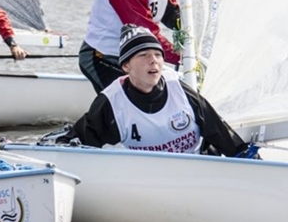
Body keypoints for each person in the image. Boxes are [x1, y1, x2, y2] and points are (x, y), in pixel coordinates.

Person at [53, 25, 251, 158]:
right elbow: (78, 142)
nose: (153, 60)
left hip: (197, 165)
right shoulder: (112, 102)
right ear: (126, 66)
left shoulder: (179, 89)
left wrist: (245, 156)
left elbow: (218, 130)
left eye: (158, 54)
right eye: (143, 55)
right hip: (149, 176)